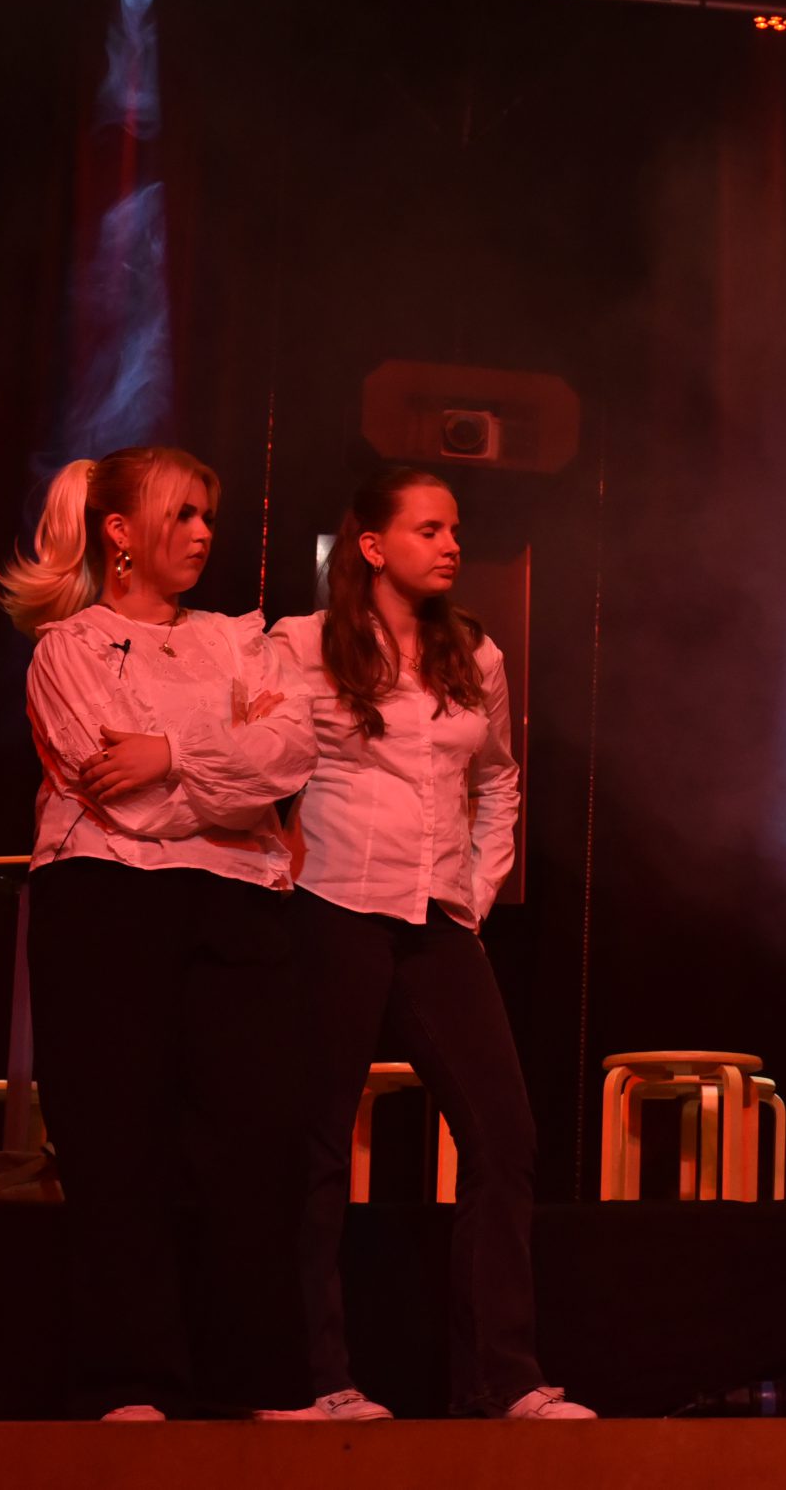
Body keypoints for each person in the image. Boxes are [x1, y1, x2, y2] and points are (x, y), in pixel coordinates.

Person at [0, 446, 317, 1420]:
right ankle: (131, 1378)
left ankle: (258, 1376)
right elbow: (121, 801)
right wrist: (225, 783)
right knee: (117, 1142)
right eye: (181, 513)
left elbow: (288, 755)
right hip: (106, 899)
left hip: (236, 904)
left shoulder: (238, 642)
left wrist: (173, 753)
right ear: (119, 532)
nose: (203, 532)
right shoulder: (70, 648)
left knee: (256, 1140)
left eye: (207, 515)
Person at [272, 467, 592, 1421]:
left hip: (438, 917)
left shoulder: (475, 655)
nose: (451, 544)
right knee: (314, 1145)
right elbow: (257, 766)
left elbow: (498, 780)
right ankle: (313, 1376)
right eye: (428, 529)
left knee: (505, 1135)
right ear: (372, 546)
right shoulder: (303, 645)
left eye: (455, 529)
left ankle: (502, 1379)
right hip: (332, 904)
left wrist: (476, 891)